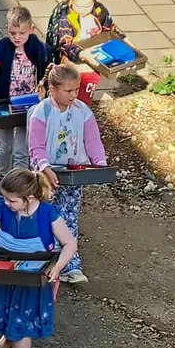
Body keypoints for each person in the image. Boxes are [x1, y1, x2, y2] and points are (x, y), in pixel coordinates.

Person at [0, 168, 78, 348]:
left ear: (29, 198)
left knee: (22, 321)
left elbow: (70, 244)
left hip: (32, 278)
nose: (7, 203)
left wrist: (58, 267)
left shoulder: (48, 214)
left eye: (12, 200)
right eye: (5, 198)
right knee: (7, 312)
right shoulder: (2, 208)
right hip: (5, 272)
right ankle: (9, 338)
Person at [27, 64, 107, 285]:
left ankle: (70, 265)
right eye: (69, 91)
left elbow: (92, 141)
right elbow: (36, 146)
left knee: (69, 218)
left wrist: (100, 166)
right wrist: (45, 167)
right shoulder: (41, 112)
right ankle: (41, 260)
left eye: (76, 90)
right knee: (43, 216)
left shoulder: (83, 112)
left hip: (73, 175)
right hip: (45, 176)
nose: (74, 95)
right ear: (53, 90)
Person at [0, 6, 51, 173]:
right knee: (5, 145)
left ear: (31, 29)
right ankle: (4, 175)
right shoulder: (1, 48)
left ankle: (19, 180)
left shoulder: (40, 49)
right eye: (13, 33)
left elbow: (48, 74)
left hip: (29, 106)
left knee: (22, 147)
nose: (17, 37)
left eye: (22, 33)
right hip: (5, 104)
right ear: (7, 29)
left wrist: (46, 92)